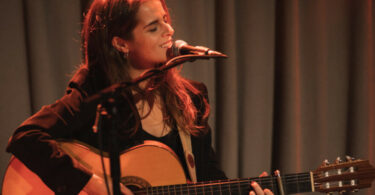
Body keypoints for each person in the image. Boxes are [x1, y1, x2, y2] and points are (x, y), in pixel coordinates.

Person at [6, 0, 274, 194]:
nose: (169, 31)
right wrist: (96, 185)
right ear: (121, 42)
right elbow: (25, 138)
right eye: (153, 27)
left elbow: (208, 179)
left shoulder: (191, 98)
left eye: (165, 19)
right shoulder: (95, 92)